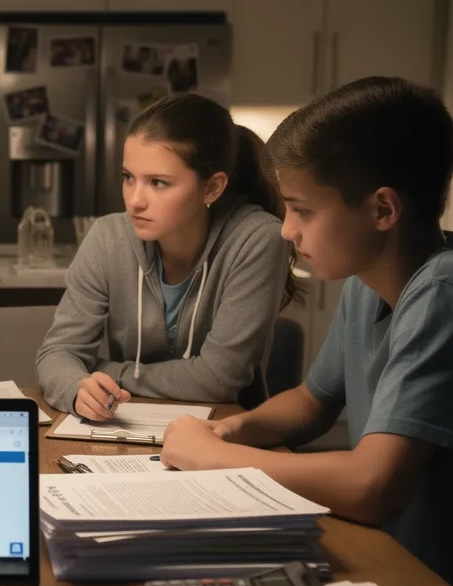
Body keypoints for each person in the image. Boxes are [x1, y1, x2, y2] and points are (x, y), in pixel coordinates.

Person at [161, 76, 453, 586]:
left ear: (383, 209)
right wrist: (235, 427)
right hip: (392, 566)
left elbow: (372, 486)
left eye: (303, 210)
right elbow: (312, 403)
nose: (287, 230)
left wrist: (217, 458)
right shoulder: (373, 282)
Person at [36, 93, 296, 418]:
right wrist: (77, 389)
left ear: (212, 188)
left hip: (224, 436)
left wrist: (108, 371)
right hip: (124, 429)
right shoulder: (107, 237)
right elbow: (57, 354)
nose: (134, 200)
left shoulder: (257, 239)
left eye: (158, 183)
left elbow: (220, 379)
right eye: (128, 177)